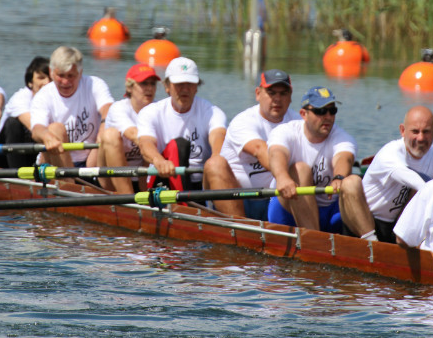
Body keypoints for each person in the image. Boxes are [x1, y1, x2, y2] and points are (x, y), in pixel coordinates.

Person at [202, 69, 300, 219]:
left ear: (290, 96)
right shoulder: (243, 121)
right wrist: (282, 176)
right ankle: (239, 227)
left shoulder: (298, 123)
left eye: (283, 93)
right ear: (258, 94)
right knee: (214, 164)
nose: (277, 99)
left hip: (275, 199)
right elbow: (259, 150)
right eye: (271, 93)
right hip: (238, 199)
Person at [267, 86, 367, 233]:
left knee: (353, 181)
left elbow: (344, 158)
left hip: (329, 212)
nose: (328, 116)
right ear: (303, 114)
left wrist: (339, 177)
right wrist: (282, 178)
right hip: (289, 208)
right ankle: (314, 238)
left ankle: (371, 241)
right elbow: (277, 153)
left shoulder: (343, 137)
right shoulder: (285, 131)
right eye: (321, 111)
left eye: (332, 111)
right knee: (300, 169)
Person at [347, 106, 433, 242]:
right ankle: (372, 243)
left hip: (396, 226)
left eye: (426, 131)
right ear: (402, 131)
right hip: (364, 220)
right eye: (415, 131)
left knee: (421, 193)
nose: (421, 138)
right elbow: (414, 180)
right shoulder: (390, 153)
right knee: (349, 183)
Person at [137, 57, 227, 195]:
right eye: (179, 84)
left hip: (201, 182)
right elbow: (146, 143)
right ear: (167, 87)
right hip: (164, 179)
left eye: (190, 83)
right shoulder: (150, 112)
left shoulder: (212, 112)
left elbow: (218, 138)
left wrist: (216, 159)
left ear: (196, 87)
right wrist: (159, 161)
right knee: (179, 146)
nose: (185, 89)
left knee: (218, 162)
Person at [30, 46, 114, 168]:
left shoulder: (94, 84)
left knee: (108, 131)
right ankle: (69, 179)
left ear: (80, 73)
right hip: (56, 158)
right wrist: (46, 136)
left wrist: (102, 130)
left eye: (70, 76)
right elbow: (37, 129)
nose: (65, 82)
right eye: (61, 75)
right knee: (55, 129)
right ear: (51, 72)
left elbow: (108, 109)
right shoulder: (43, 96)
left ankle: (85, 177)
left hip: (91, 159)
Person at [99, 63, 161, 193]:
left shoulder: (159, 108)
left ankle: (144, 192)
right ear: (130, 87)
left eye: (152, 84)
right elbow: (133, 134)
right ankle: (128, 198)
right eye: (144, 83)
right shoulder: (118, 108)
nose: (149, 88)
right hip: (110, 177)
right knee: (110, 135)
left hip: (142, 175)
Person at [0, 56, 51, 168]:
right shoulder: (20, 98)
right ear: (30, 82)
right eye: (41, 78)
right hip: (2, 157)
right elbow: (34, 127)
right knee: (13, 123)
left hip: (32, 153)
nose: (47, 82)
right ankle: (17, 174)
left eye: (50, 79)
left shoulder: (55, 99)